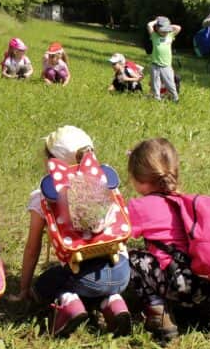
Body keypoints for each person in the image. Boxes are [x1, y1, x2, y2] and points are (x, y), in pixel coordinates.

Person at [14, 125, 130, 337]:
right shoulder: (107, 184)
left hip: (83, 276)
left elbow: (33, 247)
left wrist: (24, 289)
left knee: (46, 284)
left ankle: (69, 302)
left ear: (51, 160)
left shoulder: (44, 196)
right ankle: (113, 301)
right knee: (100, 282)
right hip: (122, 271)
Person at [125, 138, 210, 343]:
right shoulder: (190, 201)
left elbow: (118, 235)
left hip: (178, 285)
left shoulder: (138, 207)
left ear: (137, 178)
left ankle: (158, 312)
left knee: (130, 257)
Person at [146, 17, 181, 102]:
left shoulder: (170, 35)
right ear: (157, 29)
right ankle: (157, 98)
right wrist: (157, 21)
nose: (165, 32)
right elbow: (149, 25)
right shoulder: (154, 36)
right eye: (163, 30)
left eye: (166, 30)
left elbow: (178, 28)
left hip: (166, 66)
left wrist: (167, 24)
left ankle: (175, 97)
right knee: (155, 83)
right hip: (155, 64)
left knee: (170, 83)